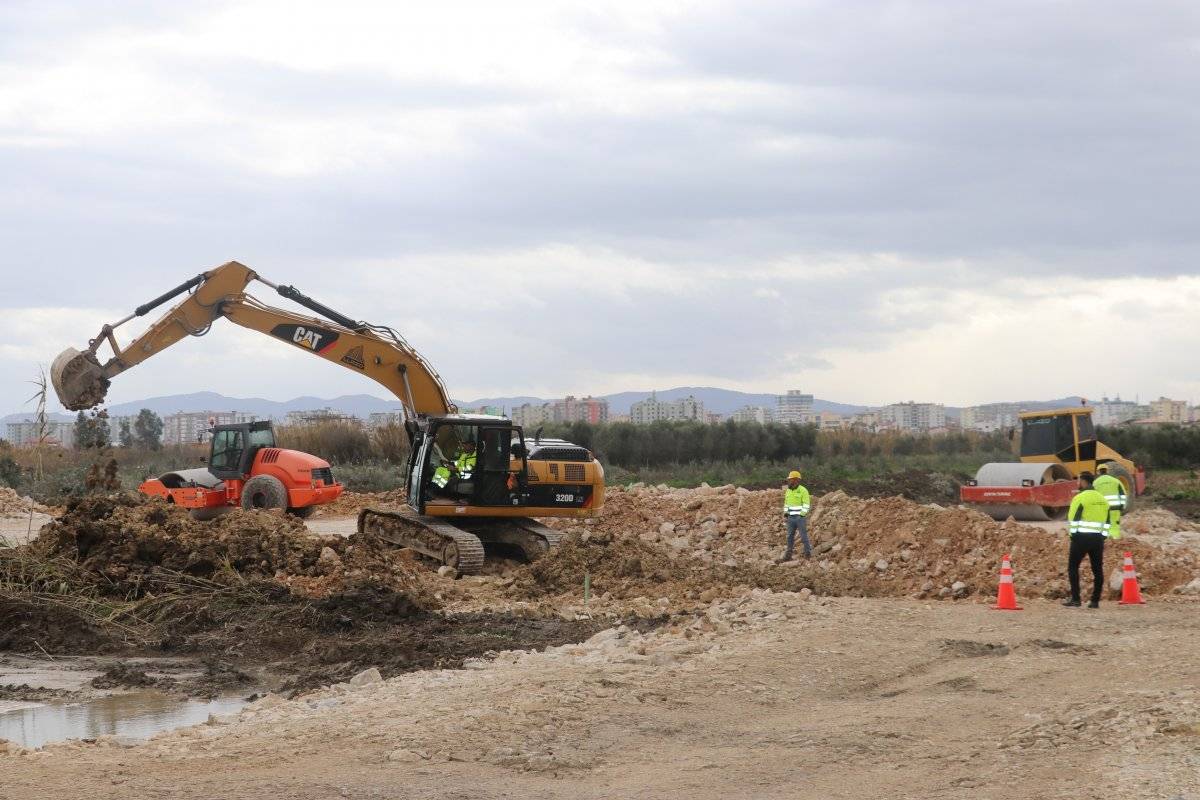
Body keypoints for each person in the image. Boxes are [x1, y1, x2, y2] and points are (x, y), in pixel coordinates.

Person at [1064, 471, 1112, 608]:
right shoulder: (1102, 499)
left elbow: (1073, 519)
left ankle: (1076, 599)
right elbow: (1108, 522)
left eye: (1078, 480)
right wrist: (1103, 536)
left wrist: (1074, 535)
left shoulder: (1080, 498)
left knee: (1073, 567)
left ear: (1084, 481)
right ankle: (1095, 601)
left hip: (1081, 538)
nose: (1077, 483)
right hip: (1097, 539)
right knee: (1097, 569)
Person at [777, 469, 812, 562]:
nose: (789, 481)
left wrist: (801, 515)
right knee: (789, 537)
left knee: (803, 536)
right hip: (790, 518)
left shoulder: (803, 490)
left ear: (796, 480)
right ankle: (788, 556)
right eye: (789, 479)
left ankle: (808, 554)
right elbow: (786, 503)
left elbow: (806, 504)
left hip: (800, 518)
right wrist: (785, 513)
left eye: (791, 479)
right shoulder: (788, 491)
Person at [1093, 464, 1127, 541]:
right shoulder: (1116, 481)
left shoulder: (1095, 483)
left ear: (1098, 472)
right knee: (1115, 525)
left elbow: (1093, 497)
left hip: (1102, 509)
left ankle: (1106, 541)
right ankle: (1116, 541)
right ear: (1107, 471)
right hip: (1115, 508)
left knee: (1104, 525)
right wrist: (1122, 506)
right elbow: (1123, 495)